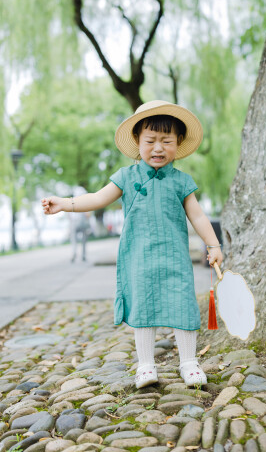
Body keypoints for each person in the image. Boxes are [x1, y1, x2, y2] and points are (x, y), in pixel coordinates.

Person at [42, 100, 223, 389]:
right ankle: (146, 365)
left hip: (176, 257)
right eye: (151, 140)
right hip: (139, 257)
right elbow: (97, 198)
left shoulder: (181, 181)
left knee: (183, 305)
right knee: (143, 307)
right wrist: (65, 203)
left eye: (167, 141)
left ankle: (189, 363)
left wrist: (213, 245)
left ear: (178, 144)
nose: (159, 148)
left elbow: (198, 216)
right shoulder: (126, 177)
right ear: (138, 141)